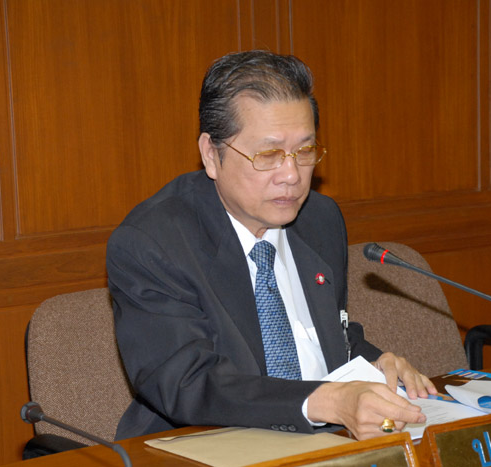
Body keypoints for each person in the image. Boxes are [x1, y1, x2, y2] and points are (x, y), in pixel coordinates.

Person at [106, 49, 437, 442]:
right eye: (268, 155)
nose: (292, 175)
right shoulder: (153, 242)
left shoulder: (319, 219)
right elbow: (188, 382)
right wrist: (322, 401)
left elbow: (326, 338)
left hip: (327, 443)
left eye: (305, 151)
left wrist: (376, 365)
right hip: (205, 444)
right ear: (211, 154)